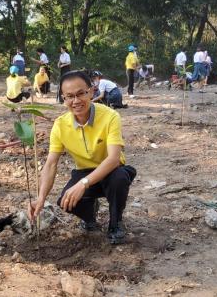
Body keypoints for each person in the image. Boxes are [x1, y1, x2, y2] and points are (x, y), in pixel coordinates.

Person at [27, 70, 136, 245]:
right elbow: (51, 164)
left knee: (119, 178)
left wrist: (83, 184)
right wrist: (41, 198)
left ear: (91, 91)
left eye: (81, 94)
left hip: (111, 170)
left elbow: (114, 158)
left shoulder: (110, 116)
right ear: (63, 99)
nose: (76, 101)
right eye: (69, 96)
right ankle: (90, 216)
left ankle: (116, 223)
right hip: (83, 171)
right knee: (66, 201)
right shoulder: (60, 125)